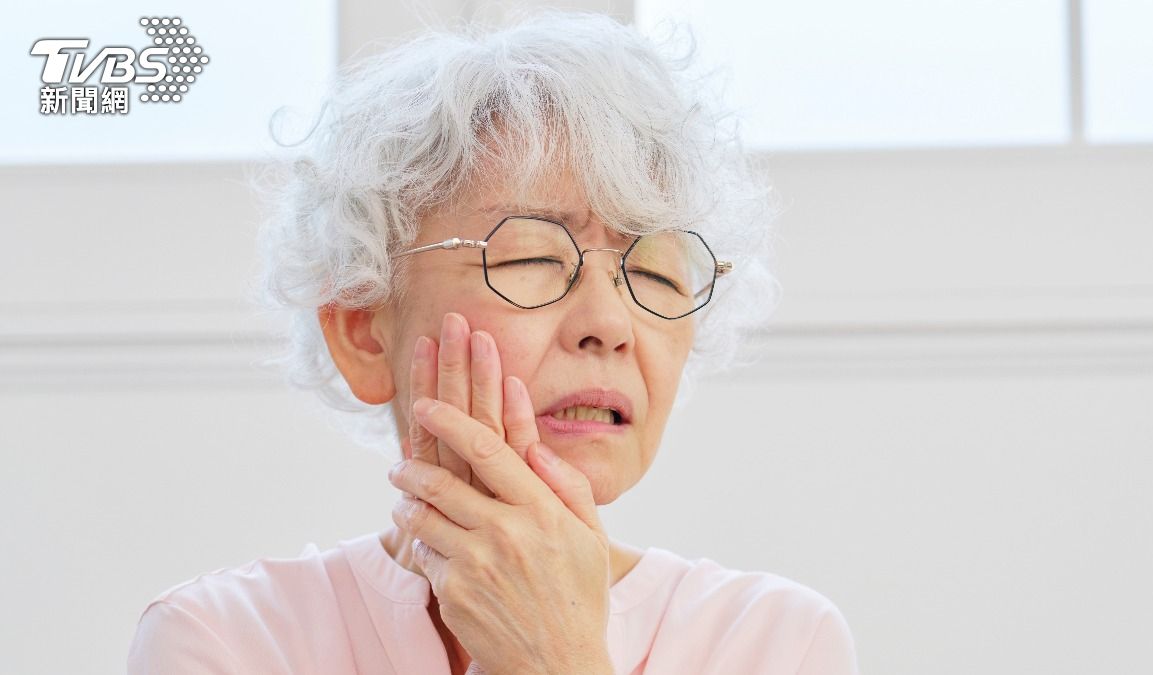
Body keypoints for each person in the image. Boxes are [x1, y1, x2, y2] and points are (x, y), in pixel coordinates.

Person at [127, 9, 859, 674]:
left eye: (655, 273)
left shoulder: (779, 642)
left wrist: (558, 655)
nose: (609, 323)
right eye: (534, 258)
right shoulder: (224, 640)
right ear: (363, 331)